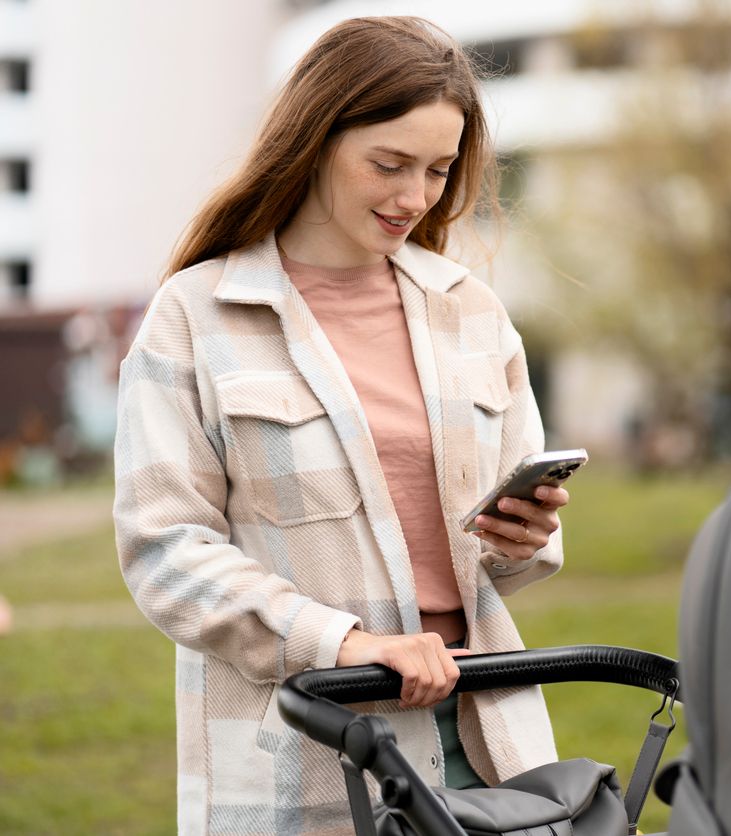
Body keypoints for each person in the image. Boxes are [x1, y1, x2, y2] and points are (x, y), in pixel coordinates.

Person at [113, 16, 568, 834]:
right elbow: (165, 551)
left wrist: (521, 534)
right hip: (310, 749)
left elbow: (496, 565)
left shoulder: (472, 314)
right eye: (388, 164)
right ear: (317, 139)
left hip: (488, 740)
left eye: (437, 170)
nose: (414, 198)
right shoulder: (194, 318)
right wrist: (347, 644)